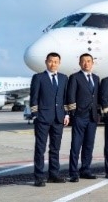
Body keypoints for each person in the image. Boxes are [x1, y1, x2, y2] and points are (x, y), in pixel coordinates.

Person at [30, 52, 69, 187]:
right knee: (40, 149)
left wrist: (67, 114)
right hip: (43, 119)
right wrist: (36, 115)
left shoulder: (64, 78)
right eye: (51, 61)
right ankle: (39, 177)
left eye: (56, 61)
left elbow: (65, 99)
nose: (53, 64)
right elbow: (33, 98)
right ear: (46, 62)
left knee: (55, 149)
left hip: (58, 118)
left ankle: (54, 175)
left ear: (59, 63)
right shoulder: (38, 77)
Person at [67, 53, 100, 182]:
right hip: (80, 116)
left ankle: (85, 169)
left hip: (92, 117)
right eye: (83, 61)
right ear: (80, 63)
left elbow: (97, 97)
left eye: (88, 61)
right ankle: (73, 172)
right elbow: (71, 96)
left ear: (92, 63)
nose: (86, 63)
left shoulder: (96, 78)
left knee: (89, 145)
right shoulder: (75, 77)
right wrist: (73, 114)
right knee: (76, 145)